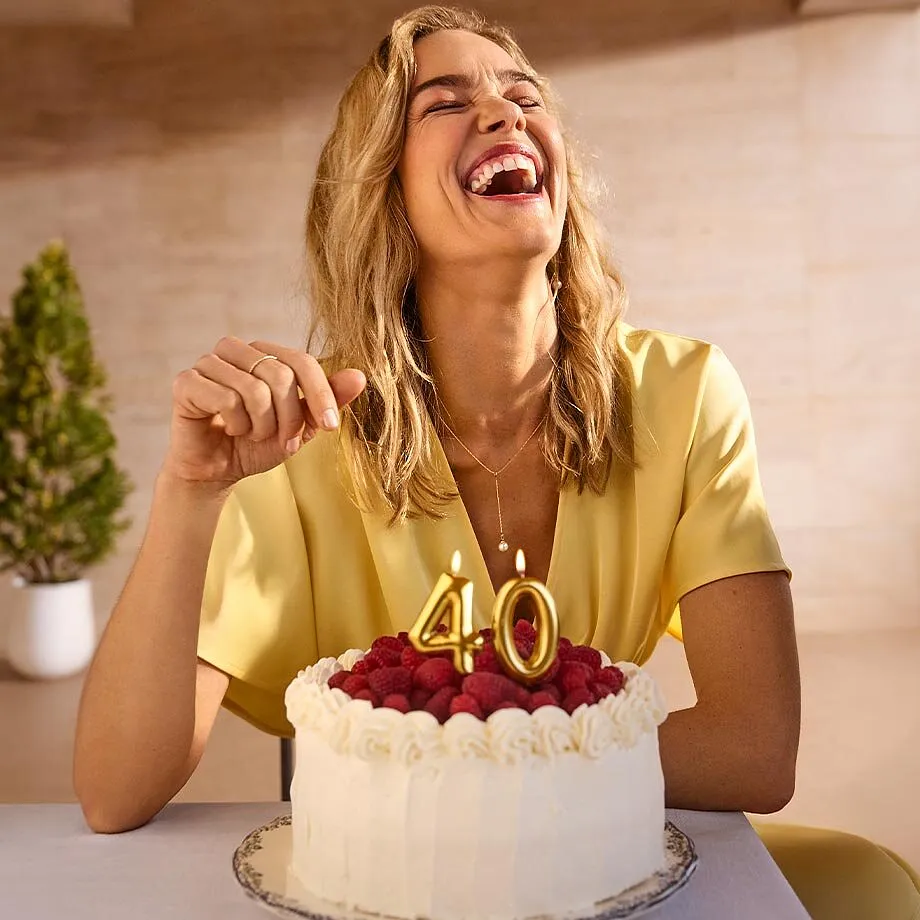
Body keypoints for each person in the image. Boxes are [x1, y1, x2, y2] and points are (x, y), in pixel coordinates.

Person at [73, 6, 920, 918]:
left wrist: (459, 763)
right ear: (382, 193)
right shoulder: (297, 435)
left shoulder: (685, 396)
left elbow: (755, 748)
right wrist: (190, 491)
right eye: (445, 103)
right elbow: (115, 792)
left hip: (606, 883)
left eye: (525, 97)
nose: (505, 112)